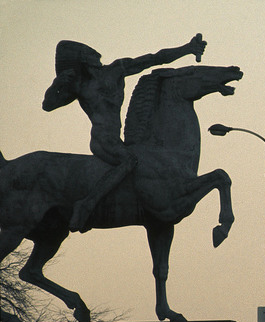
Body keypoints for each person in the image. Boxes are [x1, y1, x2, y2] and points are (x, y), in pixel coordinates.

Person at [42, 35, 206, 232]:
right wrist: (58, 84)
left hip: (118, 139)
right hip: (102, 140)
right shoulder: (80, 85)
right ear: (82, 59)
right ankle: (86, 205)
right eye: (89, 54)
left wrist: (187, 48)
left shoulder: (116, 70)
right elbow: (48, 105)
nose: (96, 56)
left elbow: (154, 58)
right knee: (130, 161)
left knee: (140, 160)